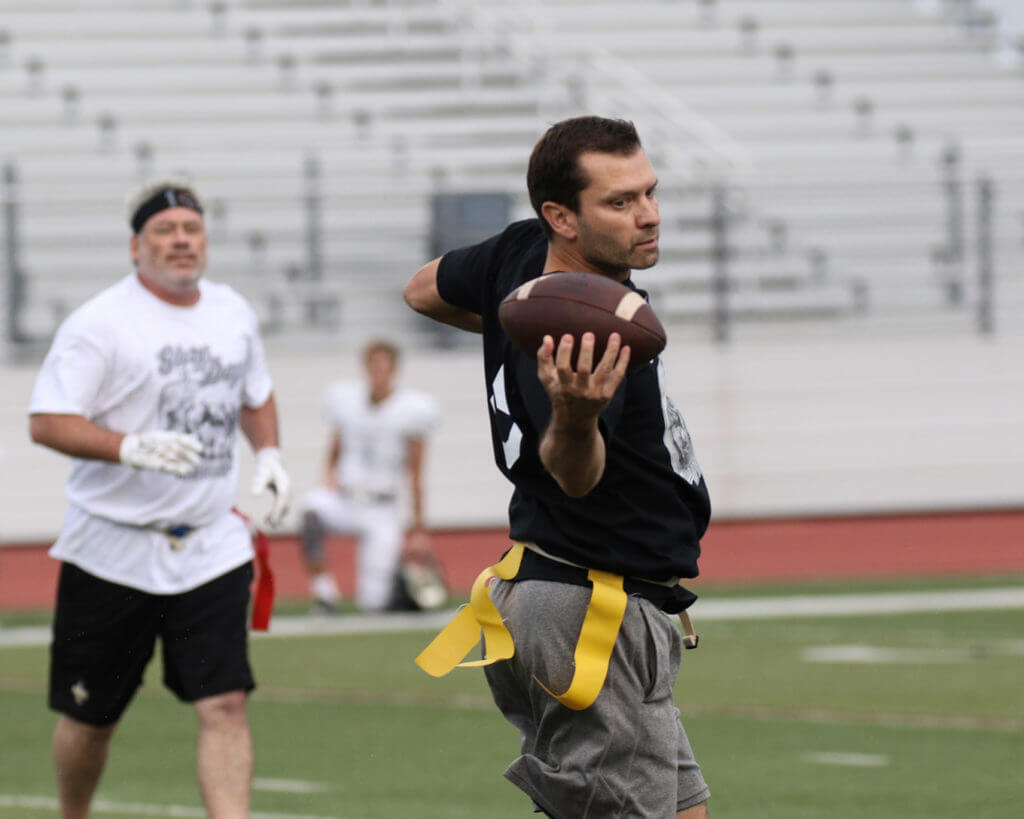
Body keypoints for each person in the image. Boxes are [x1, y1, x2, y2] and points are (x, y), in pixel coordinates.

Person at [404, 116, 712, 818]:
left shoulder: (520, 250)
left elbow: (422, 289)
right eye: (621, 202)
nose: (649, 216)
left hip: (563, 587)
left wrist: (513, 318)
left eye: (649, 193)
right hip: (593, 605)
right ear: (561, 217)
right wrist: (573, 414)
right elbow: (573, 473)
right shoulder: (584, 340)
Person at [28, 178, 292, 819]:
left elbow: (253, 392)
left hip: (208, 541)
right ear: (135, 247)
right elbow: (47, 420)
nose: (181, 241)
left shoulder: (231, 310)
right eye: (165, 231)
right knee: (92, 717)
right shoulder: (99, 323)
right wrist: (128, 447)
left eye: (191, 229)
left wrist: (271, 455)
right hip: (112, 547)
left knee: (225, 703)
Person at [299, 339, 441, 613]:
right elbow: (335, 448)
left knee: (373, 604)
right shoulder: (346, 401)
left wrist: (419, 527)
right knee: (311, 509)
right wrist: (328, 478)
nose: (377, 372)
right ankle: (325, 594)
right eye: (372, 366)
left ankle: (395, 596)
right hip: (348, 500)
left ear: (394, 370)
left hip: (382, 508)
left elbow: (416, 472)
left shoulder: (411, 409)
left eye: (383, 367)